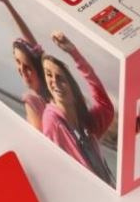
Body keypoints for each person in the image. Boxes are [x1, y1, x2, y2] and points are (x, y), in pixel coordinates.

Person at [41, 31, 115, 186]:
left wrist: (75, 54)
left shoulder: (87, 126)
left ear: (72, 83)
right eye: (48, 75)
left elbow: (105, 105)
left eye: (60, 77)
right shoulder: (52, 120)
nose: (54, 82)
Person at [0, 0, 49, 130]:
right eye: (18, 63)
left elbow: (33, 44)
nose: (21, 70)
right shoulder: (52, 98)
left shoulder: (33, 99)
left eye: (27, 66)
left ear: (38, 67)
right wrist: (5, 1)